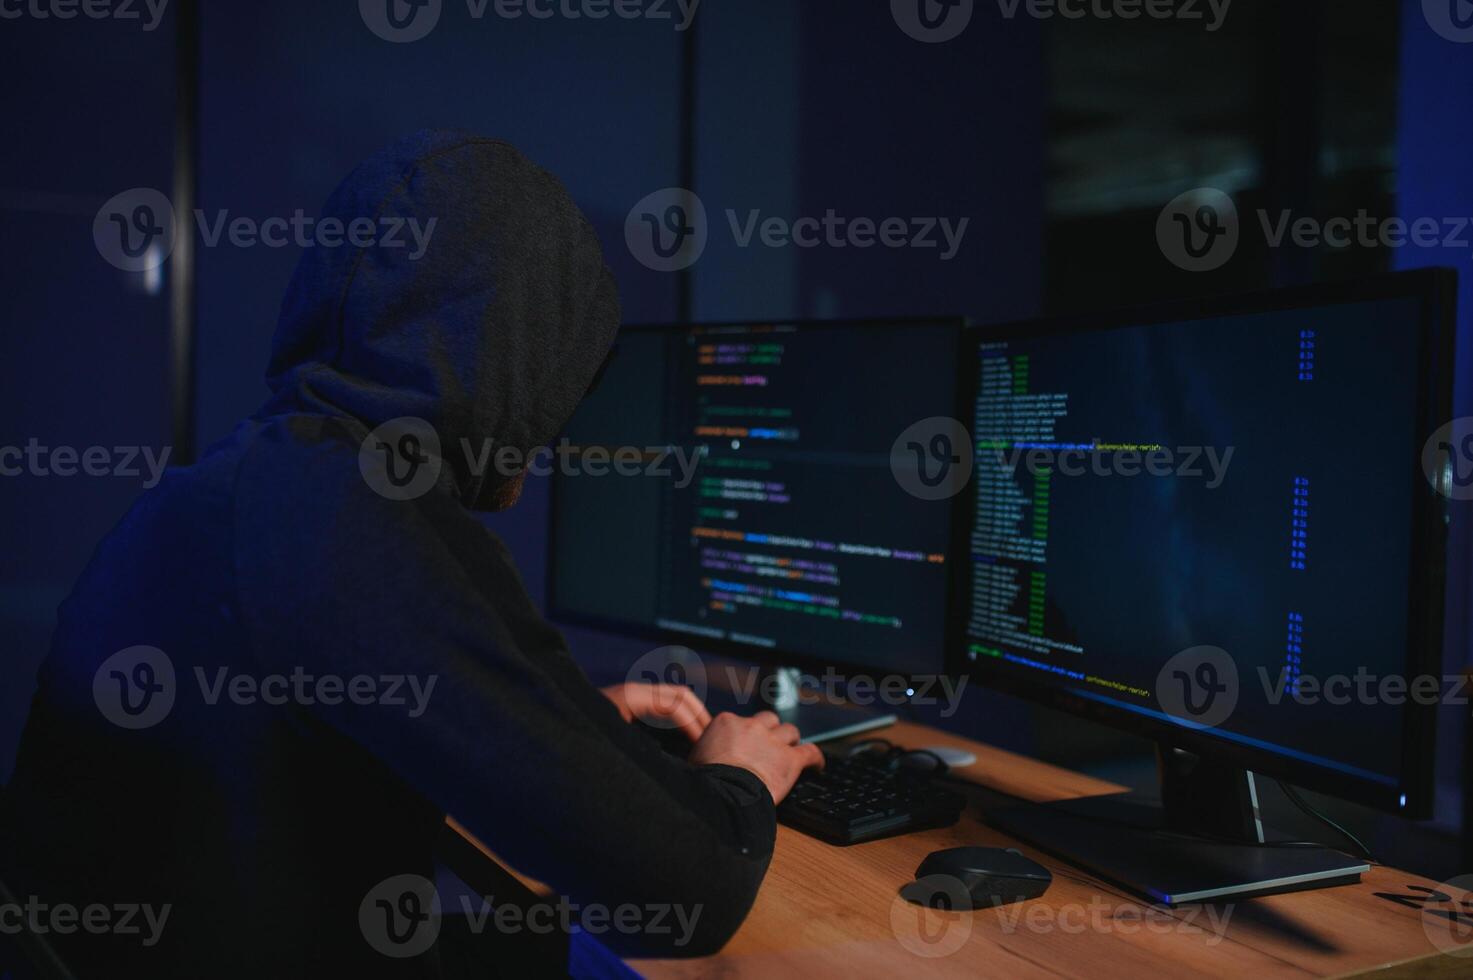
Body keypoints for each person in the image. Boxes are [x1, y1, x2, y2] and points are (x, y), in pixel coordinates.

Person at [0, 131, 822, 977]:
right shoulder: (357, 518)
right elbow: (681, 889)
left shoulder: (248, 482)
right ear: (508, 356)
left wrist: (563, 726)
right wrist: (738, 783)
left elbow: (357, 715)